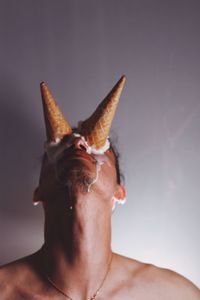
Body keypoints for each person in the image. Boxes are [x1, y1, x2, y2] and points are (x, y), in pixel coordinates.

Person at [0, 76, 199, 300]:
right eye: (61, 148)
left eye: (98, 149)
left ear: (119, 192)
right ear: (38, 191)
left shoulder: (173, 295)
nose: (78, 144)